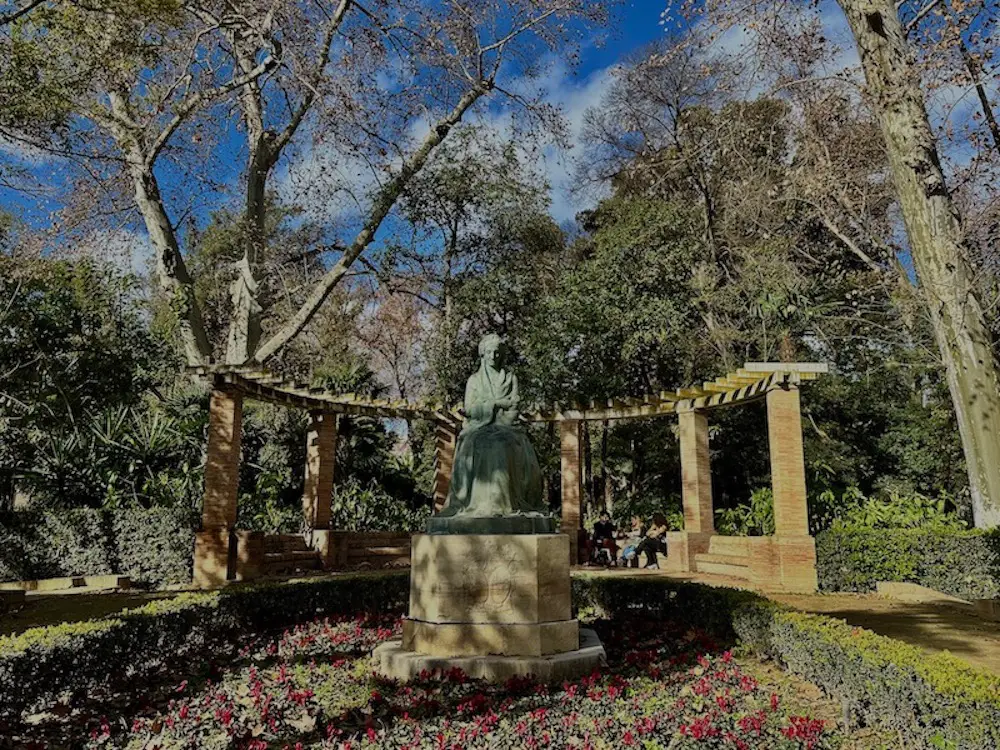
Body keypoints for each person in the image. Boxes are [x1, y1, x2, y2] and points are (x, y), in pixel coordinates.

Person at [438, 333, 545, 518]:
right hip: (479, 426)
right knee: (481, 443)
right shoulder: (474, 380)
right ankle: (481, 503)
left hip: (506, 426)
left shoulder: (510, 378)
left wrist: (502, 407)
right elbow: (470, 408)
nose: (493, 356)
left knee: (505, 444)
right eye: (489, 352)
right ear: (483, 354)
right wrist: (495, 404)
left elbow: (515, 406)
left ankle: (505, 504)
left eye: (497, 352)